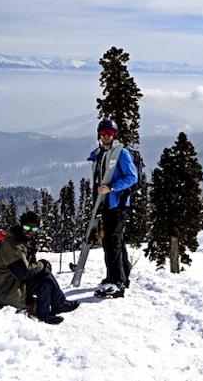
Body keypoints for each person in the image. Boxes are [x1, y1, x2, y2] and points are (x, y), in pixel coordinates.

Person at [0, 211, 79, 325]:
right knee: (45, 274)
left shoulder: (22, 239)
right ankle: (59, 304)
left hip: (10, 282)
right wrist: (41, 264)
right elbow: (23, 273)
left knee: (46, 280)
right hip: (2, 290)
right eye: (27, 227)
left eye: (34, 229)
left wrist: (41, 266)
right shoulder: (13, 244)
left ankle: (45, 313)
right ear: (21, 225)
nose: (30, 231)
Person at [88, 118, 137, 298]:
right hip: (108, 203)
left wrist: (112, 188)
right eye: (103, 133)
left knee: (111, 242)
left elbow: (132, 177)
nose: (106, 136)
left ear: (114, 134)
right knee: (117, 239)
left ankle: (116, 281)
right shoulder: (102, 153)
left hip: (117, 203)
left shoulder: (121, 153)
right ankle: (122, 275)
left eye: (109, 133)